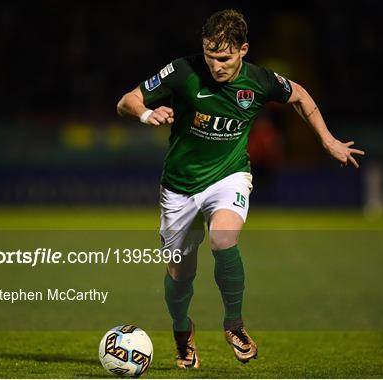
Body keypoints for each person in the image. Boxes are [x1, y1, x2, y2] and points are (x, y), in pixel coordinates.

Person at [117, 9, 364, 368]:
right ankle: (182, 331)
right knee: (179, 275)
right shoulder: (183, 71)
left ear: (243, 49)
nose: (216, 65)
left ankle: (234, 325)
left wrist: (327, 141)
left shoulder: (260, 81)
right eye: (210, 56)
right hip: (179, 185)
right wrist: (145, 114)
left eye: (224, 58)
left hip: (229, 175)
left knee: (223, 238)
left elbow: (301, 97)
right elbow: (126, 100)